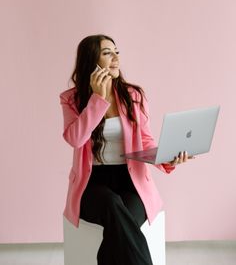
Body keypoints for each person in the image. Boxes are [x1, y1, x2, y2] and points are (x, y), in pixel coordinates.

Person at [60, 34, 193, 265]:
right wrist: (97, 100)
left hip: (132, 181)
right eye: (107, 52)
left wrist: (168, 158)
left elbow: (146, 141)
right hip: (93, 184)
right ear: (91, 59)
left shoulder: (133, 95)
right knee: (112, 205)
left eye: (116, 52)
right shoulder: (71, 99)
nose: (115, 58)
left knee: (121, 228)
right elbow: (75, 138)